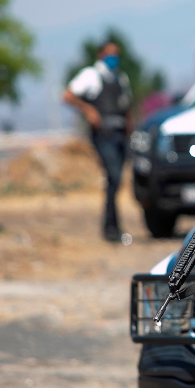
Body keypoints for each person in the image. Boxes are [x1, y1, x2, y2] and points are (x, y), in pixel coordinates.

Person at [63, 40, 133, 242]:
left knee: (116, 180)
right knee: (113, 176)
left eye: (117, 54)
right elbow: (68, 95)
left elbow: (126, 106)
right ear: (100, 55)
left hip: (120, 133)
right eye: (110, 53)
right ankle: (110, 229)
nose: (114, 58)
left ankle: (113, 227)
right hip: (104, 134)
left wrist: (131, 128)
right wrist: (89, 110)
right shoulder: (91, 75)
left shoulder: (121, 78)